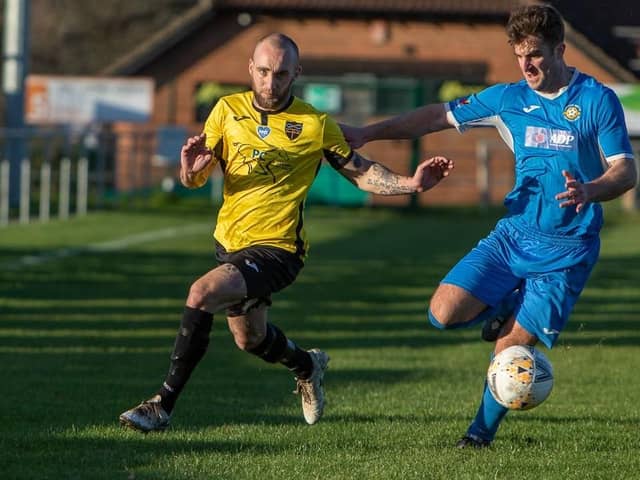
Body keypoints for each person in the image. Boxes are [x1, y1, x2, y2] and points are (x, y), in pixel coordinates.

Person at [119, 33, 454, 432]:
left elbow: (361, 172)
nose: (270, 82)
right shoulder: (226, 111)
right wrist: (190, 170)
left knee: (201, 293)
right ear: (250, 68)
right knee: (250, 339)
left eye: (280, 74)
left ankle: (162, 405)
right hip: (231, 245)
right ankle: (308, 365)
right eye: (262, 72)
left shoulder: (315, 124)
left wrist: (411, 184)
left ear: (296, 73)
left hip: (279, 249)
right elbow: (197, 178)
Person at [341, 5, 637, 448]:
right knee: (441, 314)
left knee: (513, 349)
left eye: (535, 54)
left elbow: (625, 171)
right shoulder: (509, 100)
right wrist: (369, 133)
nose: (527, 65)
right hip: (514, 234)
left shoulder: (596, 100)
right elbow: (435, 116)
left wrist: (590, 191)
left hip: (568, 249)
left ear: (559, 49)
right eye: (520, 56)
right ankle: (505, 303)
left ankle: (478, 435)